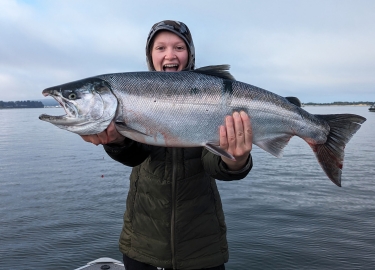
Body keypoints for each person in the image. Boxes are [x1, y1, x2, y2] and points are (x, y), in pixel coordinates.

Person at [81, 20, 253, 270]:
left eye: (179, 48)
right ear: (150, 56)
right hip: (142, 243)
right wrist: (116, 142)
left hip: (201, 247)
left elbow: (214, 165)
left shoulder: (211, 101)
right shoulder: (134, 100)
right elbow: (135, 156)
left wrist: (235, 160)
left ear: (190, 54)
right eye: (160, 48)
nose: (170, 55)